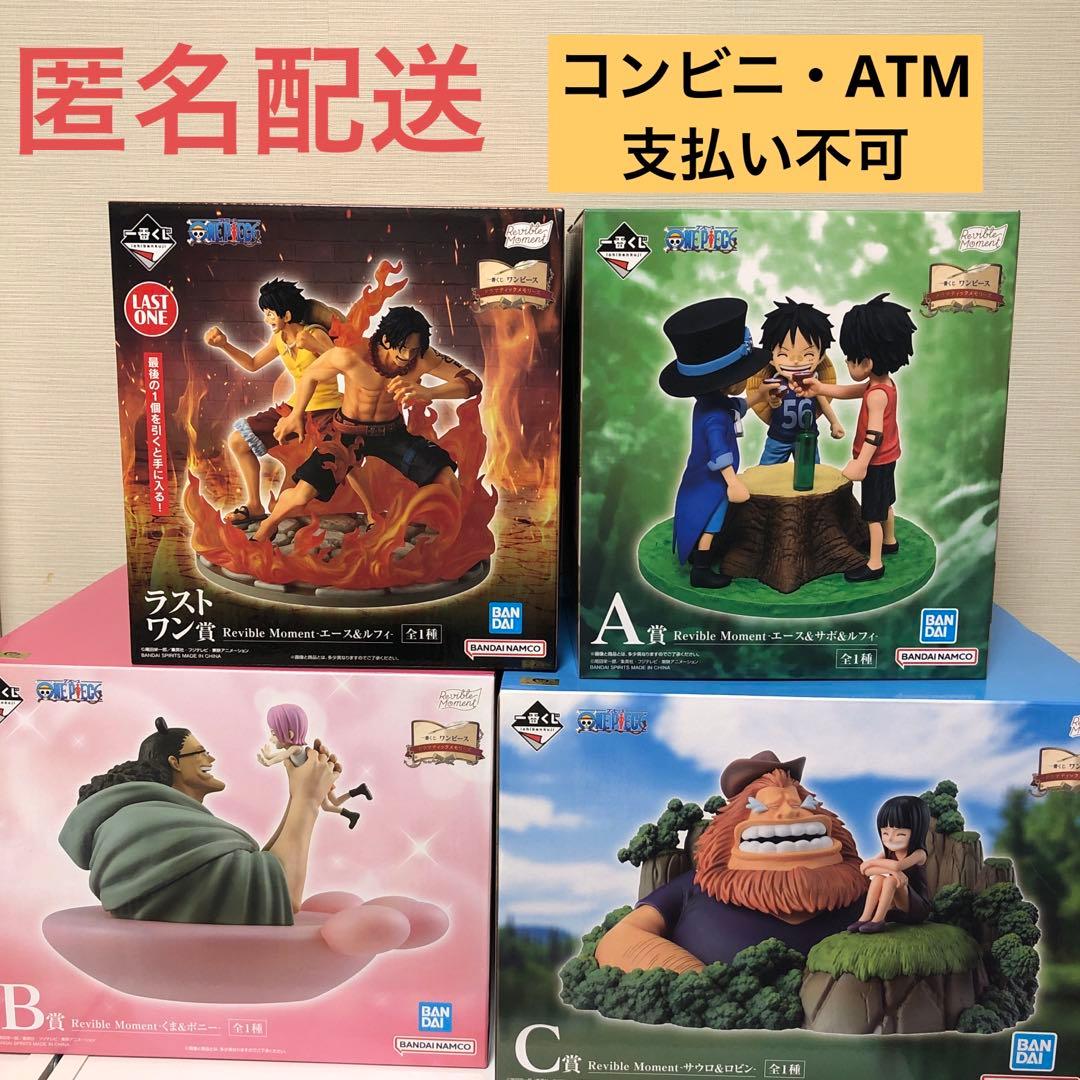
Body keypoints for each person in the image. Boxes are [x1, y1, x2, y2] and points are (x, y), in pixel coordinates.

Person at [595, 752, 867, 971]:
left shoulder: (865, 891)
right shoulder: (694, 889)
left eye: (800, 804)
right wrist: (696, 980)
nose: (788, 814)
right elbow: (621, 938)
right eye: (764, 807)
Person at [59, 717, 342, 924]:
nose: (211, 758)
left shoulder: (155, 822)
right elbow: (281, 894)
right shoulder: (152, 826)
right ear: (175, 762)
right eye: (201, 752)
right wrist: (307, 800)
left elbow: (261, 872)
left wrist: (299, 792)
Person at [253, 305, 482, 543]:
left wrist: (431, 392)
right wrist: (296, 414)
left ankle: (457, 539)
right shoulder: (350, 355)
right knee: (302, 494)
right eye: (402, 348)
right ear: (385, 339)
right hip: (347, 433)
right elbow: (311, 375)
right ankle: (267, 526)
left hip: (392, 433)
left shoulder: (423, 357)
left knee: (446, 478)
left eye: (414, 350)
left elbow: (472, 382)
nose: (407, 356)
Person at [203, 279, 345, 528]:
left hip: (326, 409)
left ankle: (368, 512)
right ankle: (255, 506)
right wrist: (224, 345)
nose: (266, 319)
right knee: (239, 441)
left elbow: (343, 362)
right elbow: (253, 364)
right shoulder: (280, 339)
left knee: (340, 457)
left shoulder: (314, 333)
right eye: (265, 313)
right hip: (293, 408)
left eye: (269, 313)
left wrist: (317, 346)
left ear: (286, 315)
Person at [802, 293, 916, 582]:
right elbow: (849, 391)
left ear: (866, 361)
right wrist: (820, 389)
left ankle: (875, 563)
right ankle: (890, 541)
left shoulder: (876, 394)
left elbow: (874, 434)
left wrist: (861, 463)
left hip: (875, 462)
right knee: (886, 503)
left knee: (872, 515)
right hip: (888, 458)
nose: (848, 363)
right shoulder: (883, 385)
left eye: (851, 360)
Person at [658, 298, 768, 589]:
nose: (746, 381)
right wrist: (732, 483)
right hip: (712, 483)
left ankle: (699, 554)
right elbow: (720, 455)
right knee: (712, 522)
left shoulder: (711, 403)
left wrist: (760, 396)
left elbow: (738, 407)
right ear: (728, 382)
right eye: (743, 376)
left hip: (705, 478)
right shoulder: (715, 417)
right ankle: (702, 569)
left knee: (709, 520)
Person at [744, 298, 844, 464]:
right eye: (783, 354)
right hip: (778, 438)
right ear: (771, 358)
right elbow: (768, 400)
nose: (796, 361)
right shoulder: (774, 382)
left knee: (810, 474)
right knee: (766, 473)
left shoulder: (813, 383)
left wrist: (835, 423)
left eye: (808, 354)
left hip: (807, 439)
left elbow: (824, 404)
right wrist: (773, 401)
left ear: (820, 357)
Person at [258, 702, 372, 830]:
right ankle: (356, 802)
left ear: (289, 734)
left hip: (318, 780)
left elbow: (282, 756)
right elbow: (281, 755)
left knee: (331, 804)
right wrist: (268, 756)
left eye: (274, 734)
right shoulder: (291, 749)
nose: (271, 738)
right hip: (316, 779)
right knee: (332, 803)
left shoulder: (295, 748)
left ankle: (354, 807)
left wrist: (269, 762)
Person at [848, 794, 931, 934]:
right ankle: (865, 918)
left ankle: (878, 920)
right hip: (896, 909)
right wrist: (892, 872)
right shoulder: (889, 853)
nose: (890, 839)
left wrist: (875, 864)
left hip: (917, 909)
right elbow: (864, 870)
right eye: (885, 833)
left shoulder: (919, 854)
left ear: (917, 832)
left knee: (891, 880)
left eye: (900, 834)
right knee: (879, 878)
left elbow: (897, 866)